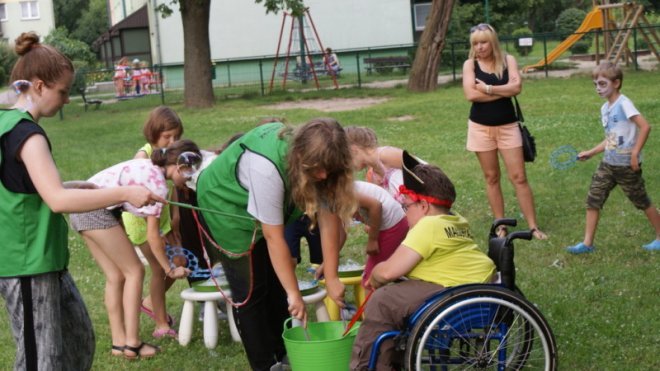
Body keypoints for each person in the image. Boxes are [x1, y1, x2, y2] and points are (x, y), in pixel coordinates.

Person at [0, 31, 162, 370]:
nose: (66, 100)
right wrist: (125, 193)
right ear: (39, 86)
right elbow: (57, 201)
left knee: (78, 340)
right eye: (63, 91)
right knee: (39, 359)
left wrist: (76, 186)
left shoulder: (10, 123)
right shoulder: (26, 134)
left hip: (46, 260)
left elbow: (28, 185)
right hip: (26, 264)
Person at [196, 119, 355, 370]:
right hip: (225, 206)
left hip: (262, 203)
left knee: (276, 285)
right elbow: (273, 237)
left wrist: (332, 276)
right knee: (252, 291)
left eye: (330, 169)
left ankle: (285, 355)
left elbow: (328, 218)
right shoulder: (267, 168)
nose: (324, 175)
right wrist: (295, 294)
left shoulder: (317, 162)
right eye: (318, 169)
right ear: (300, 155)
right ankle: (264, 365)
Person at [350, 152, 496, 371]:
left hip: (453, 292)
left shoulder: (428, 226)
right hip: (477, 288)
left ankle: (367, 366)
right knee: (396, 297)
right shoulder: (455, 222)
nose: (405, 214)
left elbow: (389, 271)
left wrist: (375, 275)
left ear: (424, 207)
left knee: (382, 300)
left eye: (407, 207)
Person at [68, 140, 197, 358]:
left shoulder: (150, 168)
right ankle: (133, 343)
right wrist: (170, 269)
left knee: (116, 276)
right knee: (135, 271)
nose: (189, 179)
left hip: (81, 207)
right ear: (178, 165)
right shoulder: (158, 184)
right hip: (94, 210)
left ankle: (120, 345)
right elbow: (152, 236)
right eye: (188, 174)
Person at [462, 23, 547, 240]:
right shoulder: (470, 65)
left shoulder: (508, 61)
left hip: (509, 127)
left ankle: (533, 227)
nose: (479, 47)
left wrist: (488, 89)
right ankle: (500, 225)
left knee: (519, 177)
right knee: (492, 177)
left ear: (493, 42)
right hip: (480, 128)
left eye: (483, 42)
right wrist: (503, 91)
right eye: (475, 43)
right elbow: (471, 95)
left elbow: (516, 88)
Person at [567, 62, 660, 254]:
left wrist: (635, 153)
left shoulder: (624, 104)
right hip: (608, 164)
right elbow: (613, 138)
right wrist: (592, 152)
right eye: (595, 84)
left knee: (642, 201)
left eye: (602, 84)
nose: (598, 88)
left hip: (627, 166)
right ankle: (587, 244)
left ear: (616, 83)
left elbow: (645, 126)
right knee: (593, 199)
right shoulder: (605, 108)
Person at [122, 106, 184, 337]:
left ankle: (149, 302)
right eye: (167, 136)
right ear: (153, 132)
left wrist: (176, 215)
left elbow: (171, 181)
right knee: (160, 268)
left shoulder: (170, 153)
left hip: (162, 216)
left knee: (178, 260)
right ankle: (161, 324)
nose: (172, 141)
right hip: (142, 220)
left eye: (176, 136)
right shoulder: (143, 157)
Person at [353, 180, 409, 288]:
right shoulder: (339, 190)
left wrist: (372, 240)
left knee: (369, 279)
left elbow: (376, 205)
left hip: (393, 225)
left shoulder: (342, 192)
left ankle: (369, 305)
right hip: (395, 223)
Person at [345, 126, 405, 201]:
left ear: (353, 150)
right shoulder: (372, 176)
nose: (347, 165)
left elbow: (421, 169)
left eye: (346, 158)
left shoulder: (386, 154)